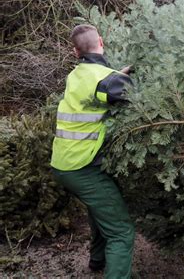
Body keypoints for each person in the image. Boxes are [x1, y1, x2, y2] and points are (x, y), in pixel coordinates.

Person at [50, 24, 135, 278]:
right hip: (82, 167)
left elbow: (99, 84)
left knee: (100, 209)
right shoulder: (105, 79)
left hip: (63, 162)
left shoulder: (77, 74)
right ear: (101, 40)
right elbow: (130, 94)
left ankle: (97, 261)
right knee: (121, 232)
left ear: (76, 52)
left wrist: (119, 73)